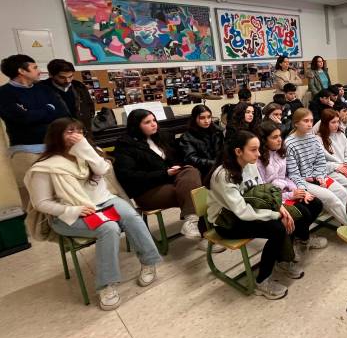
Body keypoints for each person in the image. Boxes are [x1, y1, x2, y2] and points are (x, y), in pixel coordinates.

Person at [25, 118, 162, 310]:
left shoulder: (88, 153)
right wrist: (73, 209)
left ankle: (149, 262)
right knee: (108, 227)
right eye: (69, 131)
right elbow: (41, 203)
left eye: (79, 131)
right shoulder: (45, 166)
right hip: (69, 212)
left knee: (131, 216)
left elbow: (102, 169)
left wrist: (85, 148)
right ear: (56, 136)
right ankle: (107, 285)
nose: (76, 135)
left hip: (104, 200)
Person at [205, 130, 294, 300]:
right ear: (238, 151)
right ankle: (262, 282)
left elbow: (263, 191)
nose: (258, 154)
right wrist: (275, 215)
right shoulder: (224, 175)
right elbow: (242, 212)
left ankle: (283, 260)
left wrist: (279, 207)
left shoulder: (250, 164)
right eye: (253, 150)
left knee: (284, 220)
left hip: (244, 212)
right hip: (226, 222)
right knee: (277, 229)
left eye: (259, 149)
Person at [112, 109, 203, 243]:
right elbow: (129, 176)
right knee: (196, 192)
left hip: (172, 180)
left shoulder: (162, 136)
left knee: (191, 171)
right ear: (136, 125)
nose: (154, 124)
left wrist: (176, 167)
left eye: (154, 120)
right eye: (147, 122)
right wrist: (164, 173)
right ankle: (203, 232)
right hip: (147, 191)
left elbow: (179, 157)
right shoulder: (125, 145)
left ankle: (192, 222)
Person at [0, 54, 70, 205]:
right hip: (26, 152)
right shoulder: (4, 94)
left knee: (63, 196)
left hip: (55, 146)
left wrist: (34, 113)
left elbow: (62, 113)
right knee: (35, 199)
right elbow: (23, 119)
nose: (39, 71)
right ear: (22, 71)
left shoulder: (44, 89)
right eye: (35, 67)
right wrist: (48, 110)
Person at [256, 120, 328, 258]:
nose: (279, 140)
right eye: (274, 137)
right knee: (303, 213)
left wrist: (300, 191)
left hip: (287, 193)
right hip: (274, 200)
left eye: (280, 136)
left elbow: (287, 177)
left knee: (316, 204)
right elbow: (264, 190)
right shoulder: (259, 160)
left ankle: (299, 237)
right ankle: (301, 239)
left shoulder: (280, 152)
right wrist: (289, 196)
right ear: (264, 140)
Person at [284, 108, 347, 225]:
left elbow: (320, 162)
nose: (309, 124)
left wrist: (320, 176)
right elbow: (293, 174)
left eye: (311, 121)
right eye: (306, 121)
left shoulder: (313, 138)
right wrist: (305, 187)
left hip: (317, 177)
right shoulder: (289, 143)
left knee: (342, 192)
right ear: (296, 123)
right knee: (331, 198)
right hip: (302, 182)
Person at [41, 59, 95, 136]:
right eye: (62, 77)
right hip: (57, 135)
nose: (67, 80)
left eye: (70, 76)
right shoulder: (41, 89)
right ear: (51, 75)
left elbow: (89, 106)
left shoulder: (79, 86)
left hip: (82, 132)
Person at [177, 104, 224, 178]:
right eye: (202, 118)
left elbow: (223, 149)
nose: (207, 121)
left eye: (209, 117)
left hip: (220, 168)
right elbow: (191, 159)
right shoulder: (187, 137)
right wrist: (215, 163)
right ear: (194, 119)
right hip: (202, 171)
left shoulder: (218, 131)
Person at [316, 108, 347, 190]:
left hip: (345, 166)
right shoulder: (318, 140)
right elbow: (320, 163)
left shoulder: (341, 134)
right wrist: (338, 167)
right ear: (325, 124)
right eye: (333, 122)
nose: (336, 125)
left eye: (338, 122)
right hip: (331, 171)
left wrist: (346, 163)